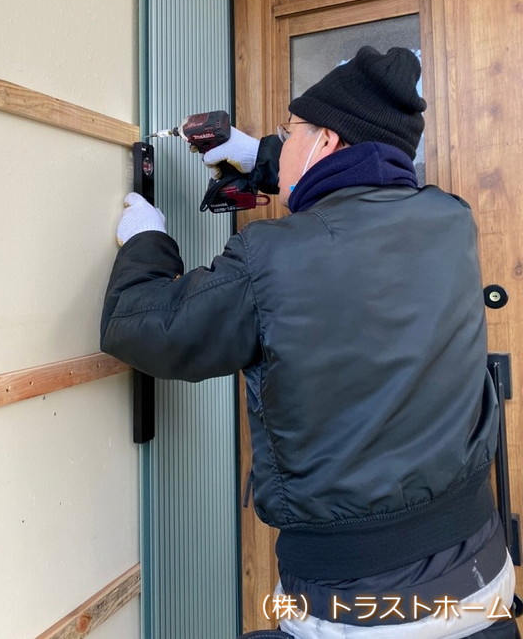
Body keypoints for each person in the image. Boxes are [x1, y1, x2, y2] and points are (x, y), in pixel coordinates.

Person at [100, 46, 519, 639]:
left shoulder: (272, 258)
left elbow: (140, 325)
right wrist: (258, 157)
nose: (281, 138)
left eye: (287, 131)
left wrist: (146, 240)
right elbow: (358, 193)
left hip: (361, 613)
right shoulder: (451, 220)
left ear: (325, 143)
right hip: (482, 581)